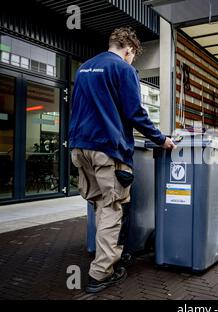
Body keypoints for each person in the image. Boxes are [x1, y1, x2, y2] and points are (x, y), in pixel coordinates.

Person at [69, 27, 176, 293]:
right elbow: (135, 113)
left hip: (80, 148)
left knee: (99, 206)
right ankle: (101, 273)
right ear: (129, 50)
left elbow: (77, 107)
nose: (131, 61)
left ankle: (107, 256)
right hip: (107, 150)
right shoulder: (123, 69)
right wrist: (161, 138)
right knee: (111, 209)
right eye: (132, 57)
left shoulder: (84, 68)